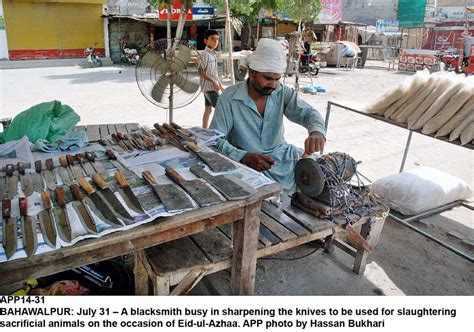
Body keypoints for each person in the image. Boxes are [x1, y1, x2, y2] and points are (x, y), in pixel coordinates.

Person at [210, 38, 326, 193]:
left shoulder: (282, 92)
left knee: (326, 172)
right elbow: (215, 139)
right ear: (251, 73)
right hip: (248, 167)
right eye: (268, 78)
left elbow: (309, 113)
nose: (273, 84)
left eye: (277, 79)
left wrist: (316, 132)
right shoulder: (229, 98)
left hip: (283, 159)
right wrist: (243, 156)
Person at [198, 29, 223, 128]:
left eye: (217, 39)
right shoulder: (205, 54)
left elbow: (214, 73)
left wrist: (220, 86)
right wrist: (213, 82)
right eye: (212, 39)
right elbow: (200, 71)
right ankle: (218, 129)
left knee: (208, 109)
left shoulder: (213, 54)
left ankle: (204, 129)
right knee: (221, 109)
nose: (215, 41)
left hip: (213, 87)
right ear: (205, 41)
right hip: (209, 88)